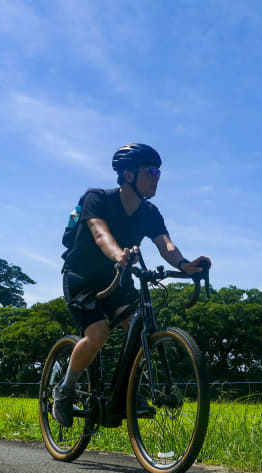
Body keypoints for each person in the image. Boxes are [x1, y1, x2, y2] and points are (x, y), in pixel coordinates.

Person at [54, 143, 210, 427]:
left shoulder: (150, 213)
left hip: (119, 279)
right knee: (98, 333)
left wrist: (185, 264)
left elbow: (166, 244)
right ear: (128, 175)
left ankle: (131, 391)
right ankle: (64, 391)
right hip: (82, 278)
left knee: (137, 328)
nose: (157, 177)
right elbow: (101, 235)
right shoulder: (96, 198)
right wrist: (119, 255)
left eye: (159, 172)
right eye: (150, 171)